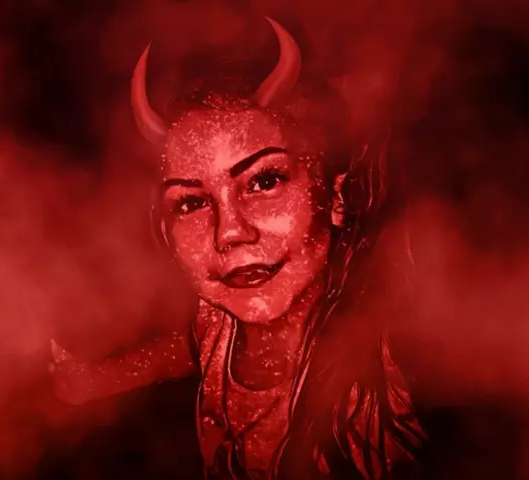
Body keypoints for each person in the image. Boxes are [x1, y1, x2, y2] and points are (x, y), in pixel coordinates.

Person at [49, 16, 427, 479]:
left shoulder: (392, 361)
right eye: (190, 202)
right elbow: (190, 348)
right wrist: (97, 381)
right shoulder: (218, 321)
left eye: (264, 181)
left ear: (336, 196)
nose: (229, 232)